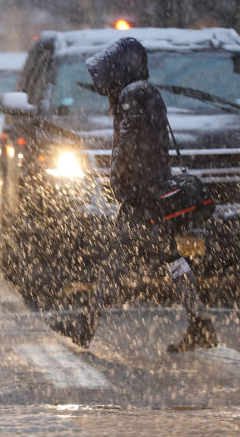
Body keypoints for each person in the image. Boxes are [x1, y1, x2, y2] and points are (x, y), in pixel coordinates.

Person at [49, 37, 218, 353]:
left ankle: (88, 324)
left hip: (141, 197)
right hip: (154, 190)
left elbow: (128, 148)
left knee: (116, 261)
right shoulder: (145, 91)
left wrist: (124, 186)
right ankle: (200, 323)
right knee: (172, 258)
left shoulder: (131, 96)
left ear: (119, 68)